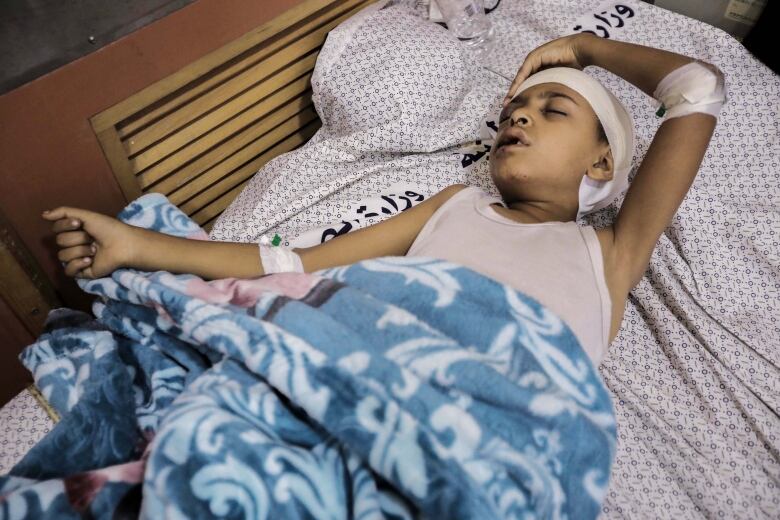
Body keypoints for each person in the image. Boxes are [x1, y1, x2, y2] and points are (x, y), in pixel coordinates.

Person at [42, 33, 725, 365]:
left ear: (604, 160)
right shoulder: (453, 207)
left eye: (553, 111)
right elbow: (298, 265)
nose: (518, 116)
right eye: (514, 109)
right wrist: (141, 247)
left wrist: (583, 48)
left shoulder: (609, 252)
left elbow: (697, 88)